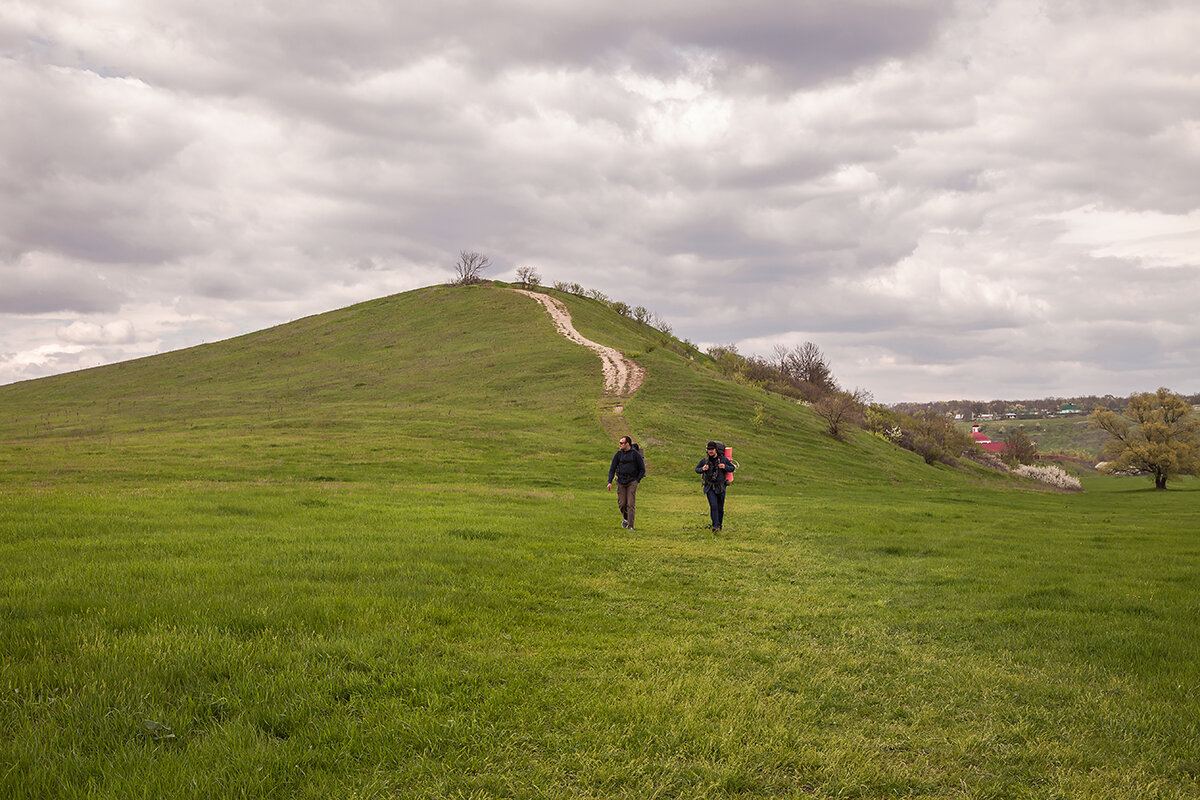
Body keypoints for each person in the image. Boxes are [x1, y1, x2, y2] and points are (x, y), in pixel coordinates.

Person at [607, 436, 646, 530]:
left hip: (632, 481)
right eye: (620, 442)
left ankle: (630, 526)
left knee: (630, 504)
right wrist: (609, 482)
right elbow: (612, 469)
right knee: (622, 504)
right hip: (620, 481)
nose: (619, 444)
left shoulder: (635, 454)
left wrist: (637, 480)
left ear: (627, 444)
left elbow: (642, 469)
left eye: (621, 443)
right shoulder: (618, 455)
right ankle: (626, 519)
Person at [695, 441, 735, 531]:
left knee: (720, 507)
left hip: (721, 487)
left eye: (712, 449)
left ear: (716, 450)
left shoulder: (723, 460)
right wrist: (702, 469)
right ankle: (715, 526)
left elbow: (732, 468)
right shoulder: (704, 461)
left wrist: (725, 467)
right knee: (713, 506)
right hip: (709, 487)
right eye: (709, 449)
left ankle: (719, 525)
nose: (710, 451)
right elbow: (696, 469)